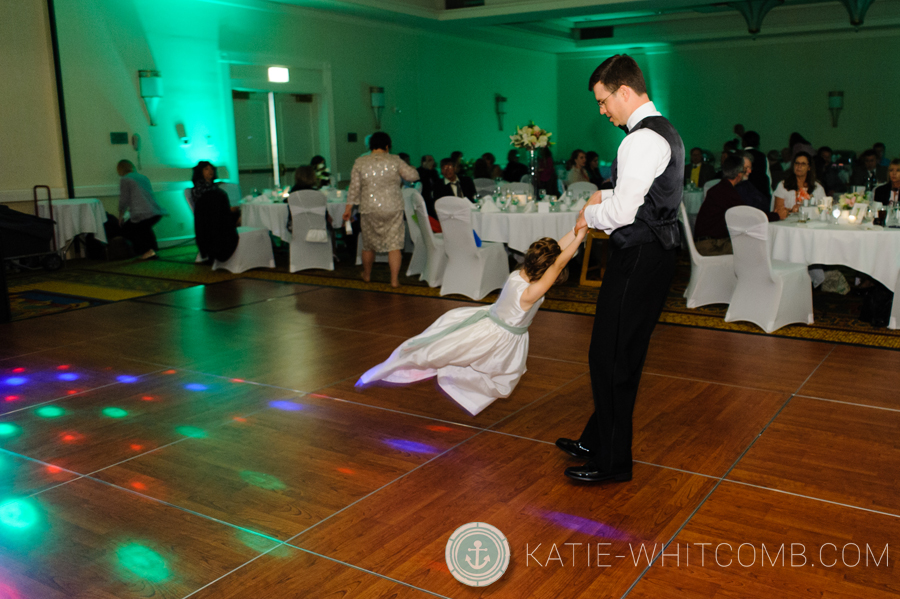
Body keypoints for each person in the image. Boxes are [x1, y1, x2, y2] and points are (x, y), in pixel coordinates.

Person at [561, 54, 684, 484]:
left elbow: (626, 212)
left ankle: (613, 463)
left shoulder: (640, 139)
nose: (602, 110)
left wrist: (588, 216)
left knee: (610, 355)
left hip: (639, 256)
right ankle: (597, 439)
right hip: (655, 255)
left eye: (602, 101)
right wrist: (603, 192)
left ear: (624, 92)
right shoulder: (662, 131)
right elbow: (643, 191)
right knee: (621, 352)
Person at [357, 229, 586, 415]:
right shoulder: (531, 293)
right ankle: (433, 374)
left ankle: (440, 372)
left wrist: (579, 230)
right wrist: (579, 237)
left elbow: (554, 257)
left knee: (445, 352)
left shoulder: (520, 273)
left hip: (491, 322)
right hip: (497, 337)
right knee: (492, 377)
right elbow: (556, 265)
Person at [343, 132, 419, 287]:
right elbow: (413, 176)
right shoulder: (395, 160)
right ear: (387, 146)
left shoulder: (360, 162)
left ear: (371, 146)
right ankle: (394, 280)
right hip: (393, 207)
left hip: (369, 208)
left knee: (368, 244)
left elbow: (354, 188)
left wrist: (348, 208)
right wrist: (410, 167)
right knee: (394, 245)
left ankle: (367, 275)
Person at [116, 160, 165, 260]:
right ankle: (152, 250)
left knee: (127, 230)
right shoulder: (143, 177)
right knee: (145, 229)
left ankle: (147, 251)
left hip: (142, 213)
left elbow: (124, 199)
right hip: (155, 211)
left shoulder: (125, 179)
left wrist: (121, 215)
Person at [192, 161, 239, 263]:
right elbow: (211, 207)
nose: (210, 171)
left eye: (211, 169)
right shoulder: (200, 189)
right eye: (206, 169)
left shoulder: (212, 187)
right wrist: (229, 210)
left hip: (217, 217)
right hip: (212, 221)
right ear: (200, 172)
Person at [741, 131, 771, 201]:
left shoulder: (739, 155)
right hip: (761, 192)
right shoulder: (762, 156)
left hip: (744, 194)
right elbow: (768, 175)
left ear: (743, 142)